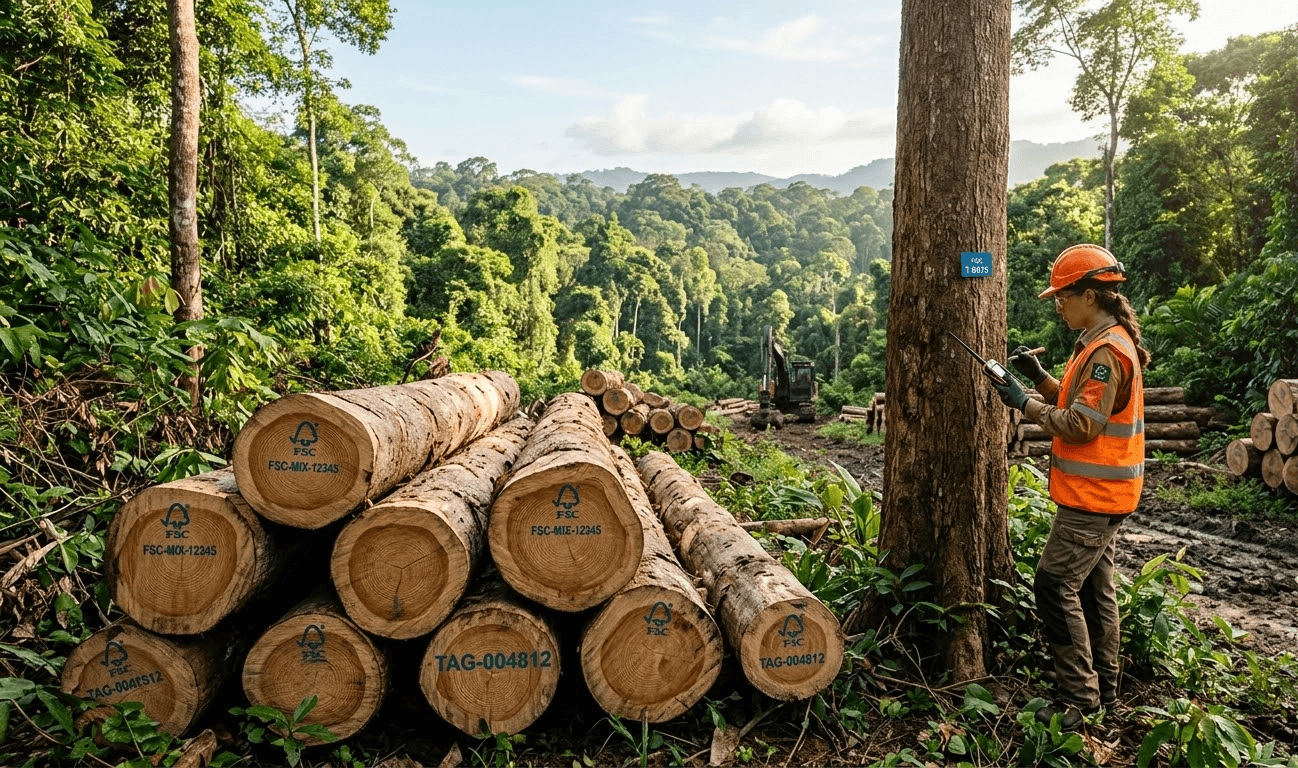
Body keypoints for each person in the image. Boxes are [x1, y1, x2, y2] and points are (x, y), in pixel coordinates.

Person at [988, 244, 1150, 731]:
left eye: (1063, 296)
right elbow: (1079, 402)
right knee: (1096, 590)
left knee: (1055, 585)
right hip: (1102, 496)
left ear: (1089, 295)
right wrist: (1038, 380)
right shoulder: (1100, 340)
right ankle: (1106, 686)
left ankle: (1078, 698)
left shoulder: (1107, 352)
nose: (1058, 305)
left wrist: (1022, 403)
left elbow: (1081, 424)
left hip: (1094, 499)